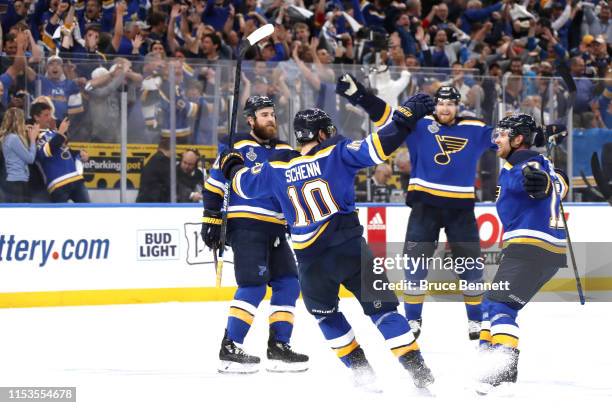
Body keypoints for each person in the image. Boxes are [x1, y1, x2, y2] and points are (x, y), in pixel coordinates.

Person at [217, 95, 437, 390]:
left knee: (326, 316)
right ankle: (417, 370)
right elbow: (379, 145)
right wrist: (406, 117)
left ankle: (362, 373)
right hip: (349, 249)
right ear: (322, 134)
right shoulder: (337, 151)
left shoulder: (276, 169)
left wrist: (232, 167)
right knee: (384, 311)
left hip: (309, 263)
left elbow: (242, 184)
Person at [337, 76, 496, 341]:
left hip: (461, 209)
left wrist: (538, 134)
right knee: (415, 264)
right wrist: (359, 96)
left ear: (458, 107)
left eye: (450, 104)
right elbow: (388, 117)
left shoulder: (475, 128)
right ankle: (413, 318)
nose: (445, 108)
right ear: (435, 105)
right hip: (425, 206)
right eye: (441, 103)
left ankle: (476, 321)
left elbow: (505, 139)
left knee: (470, 266)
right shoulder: (420, 124)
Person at [201, 96, 308, 374]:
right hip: (246, 224)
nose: (271, 119)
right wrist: (211, 219)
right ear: (250, 120)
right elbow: (214, 185)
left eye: (272, 114)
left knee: (288, 283)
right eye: (264, 115)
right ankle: (230, 347)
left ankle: (279, 346)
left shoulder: (286, 150)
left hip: (275, 226)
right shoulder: (236, 146)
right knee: (253, 284)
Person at [477, 113, 568, 394]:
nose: (497, 139)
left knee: (502, 307)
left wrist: (542, 183)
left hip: (530, 248)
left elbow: (536, 181)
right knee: (490, 306)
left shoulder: (525, 165)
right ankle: (485, 364)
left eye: (503, 135)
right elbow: (559, 185)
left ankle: (502, 372)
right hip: (540, 251)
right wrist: (552, 181)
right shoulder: (539, 164)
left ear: (518, 140)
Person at [31, 102, 90, 203]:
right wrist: (60, 133)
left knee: (88, 212)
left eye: (50, 114)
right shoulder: (35, 135)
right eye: (46, 115)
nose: (50, 118)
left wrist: (80, 154)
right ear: (36, 117)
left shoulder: (54, 133)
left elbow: (65, 152)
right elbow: (46, 152)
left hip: (75, 178)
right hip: (58, 183)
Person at [0, 108, 38, 202]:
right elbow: (30, 159)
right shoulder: (13, 138)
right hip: (17, 182)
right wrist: (33, 139)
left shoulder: (10, 137)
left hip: (17, 181)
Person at [136, 138, 171, 203]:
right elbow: (170, 183)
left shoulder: (153, 159)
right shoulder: (163, 160)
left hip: (144, 202)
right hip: (152, 204)